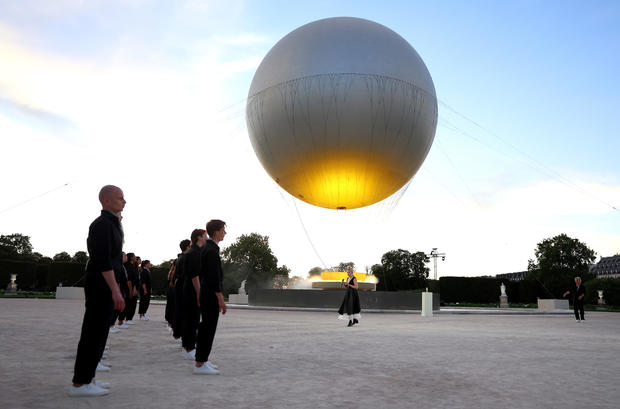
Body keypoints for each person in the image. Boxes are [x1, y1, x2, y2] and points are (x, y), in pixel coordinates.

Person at [69, 185, 126, 397]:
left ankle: (87, 378)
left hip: (105, 283)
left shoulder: (111, 223)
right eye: (120, 198)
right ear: (107, 201)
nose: (124, 201)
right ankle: (80, 383)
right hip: (101, 284)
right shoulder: (102, 224)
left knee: (100, 332)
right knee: (93, 332)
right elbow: (103, 261)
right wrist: (115, 290)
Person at [194, 219, 227, 375]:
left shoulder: (209, 247)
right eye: (223, 230)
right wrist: (220, 297)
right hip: (210, 293)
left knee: (207, 326)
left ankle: (202, 360)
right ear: (216, 231)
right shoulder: (212, 249)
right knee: (208, 327)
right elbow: (213, 276)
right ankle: (200, 364)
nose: (225, 233)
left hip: (207, 291)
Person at [181, 229, 207, 360]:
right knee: (192, 319)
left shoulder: (196, 252)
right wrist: (199, 293)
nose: (207, 238)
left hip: (191, 290)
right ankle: (189, 347)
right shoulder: (194, 253)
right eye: (205, 236)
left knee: (192, 319)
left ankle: (188, 346)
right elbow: (194, 275)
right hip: (192, 290)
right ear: (199, 238)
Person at [173, 239, 191, 341]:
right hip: (183, 287)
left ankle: (177, 333)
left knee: (179, 311)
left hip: (179, 286)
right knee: (183, 313)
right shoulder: (185, 258)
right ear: (188, 247)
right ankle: (180, 334)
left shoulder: (180, 258)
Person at [124, 253, 139, 324]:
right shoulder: (128, 266)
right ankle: (125, 320)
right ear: (131, 258)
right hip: (129, 288)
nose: (135, 257)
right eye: (134, 256)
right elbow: (129, 279)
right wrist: (131, 289)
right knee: (128, 303)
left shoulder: (133, 266)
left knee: (133, 304)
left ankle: (129, 319)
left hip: (134, 287)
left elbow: (136, 279)